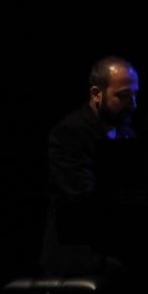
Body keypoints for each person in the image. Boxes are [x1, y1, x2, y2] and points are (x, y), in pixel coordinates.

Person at [40, 56, 139, 278]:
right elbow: (82, 200)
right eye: (123, 96)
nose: (133, 104)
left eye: (135, 95)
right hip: (75, 250)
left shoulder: (127, 134)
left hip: (110, 242)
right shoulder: (69, 133)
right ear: (96, 94)